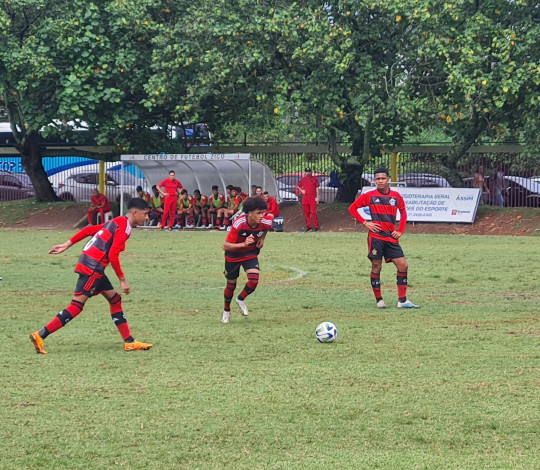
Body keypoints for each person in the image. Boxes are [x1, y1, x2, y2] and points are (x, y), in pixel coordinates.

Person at [29, 198, 153, 354]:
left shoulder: (117, 221)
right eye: (146, 214)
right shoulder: (125, 228)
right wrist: (123, 280)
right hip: (92, 269)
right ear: (135, 213)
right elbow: (113, 254)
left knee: (115, 300)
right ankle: (40, 335)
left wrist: (66, 244)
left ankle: (129, 342)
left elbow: (88, 231)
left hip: (92, 266)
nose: (147, 218)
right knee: (76, 305)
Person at [348, 167, 419, 309]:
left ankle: (402, 300)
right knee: (376, 266)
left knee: (403, 265)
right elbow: (352, 208)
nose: (380, 181)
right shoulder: (370, 195)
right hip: (376, 237)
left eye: (383, 178)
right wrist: (365, 223)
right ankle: (379, 300)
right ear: (375, 180)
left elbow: (403, 213)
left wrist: (400, 231)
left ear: (388, 180)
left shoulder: (396, 196)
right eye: (378, 179)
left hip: (391, 237)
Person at [221, 196, 273, 323]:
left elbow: (267, 225)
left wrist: (262, 238)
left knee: (254, 280)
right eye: (258, 213)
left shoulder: (266, 221)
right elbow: (225, 245)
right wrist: (243, 245)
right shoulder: (239, 224)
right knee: (231, 285)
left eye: (263, 212)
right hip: (233, 255)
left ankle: (240, 299)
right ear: (249, 213)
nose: (262, 215)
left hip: (250, 253)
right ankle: (226, 311)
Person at [295, 168, 320, 232]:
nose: (308, 173)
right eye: (307, 172)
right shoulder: (303, 179)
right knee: (306, 213)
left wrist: (317, 196)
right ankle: (309, 227)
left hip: (312, 198)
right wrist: (302, 190)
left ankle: (316, 227)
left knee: (313, 212)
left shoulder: (314, 179)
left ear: (311, 172)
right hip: (305, 199)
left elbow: (317, 188)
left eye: (309, 172)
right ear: (305, 173)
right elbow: (297, 185)